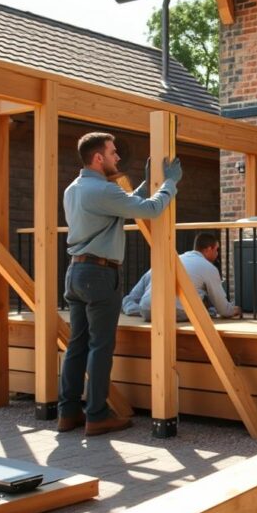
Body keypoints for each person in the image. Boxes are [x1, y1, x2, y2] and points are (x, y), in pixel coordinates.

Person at [59, 132, 182, 436]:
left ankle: (68, 412)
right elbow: (151, 210)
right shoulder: (101, 190)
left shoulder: (74, 189)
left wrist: (145, 184)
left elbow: (125, 203)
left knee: (77, 345)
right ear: (98, 158)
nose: (117, 158)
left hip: (76, 274)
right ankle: (97, 416)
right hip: (100, 276)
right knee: (101, 346)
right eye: (113, 153)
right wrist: (170, 183)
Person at [123, 233, 241, 322]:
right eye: (217, 249)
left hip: (146, 309)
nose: (217, 254)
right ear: (208, 249)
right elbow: (223, 310)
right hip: (174, 311)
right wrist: (234, 309)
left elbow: (132, 296)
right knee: (205, 304)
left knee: (133, 299)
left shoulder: (171, 260)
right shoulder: (209, 268)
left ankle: (136, 308)